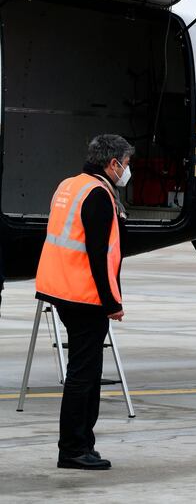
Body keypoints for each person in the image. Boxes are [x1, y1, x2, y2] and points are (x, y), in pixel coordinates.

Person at [36, 134, 134, 470]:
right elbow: (98, 255)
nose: (127, 169)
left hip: (61, 288)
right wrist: (112, 302)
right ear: (113, 164)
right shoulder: (98, 194)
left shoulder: (70, 185)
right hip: (84, 296)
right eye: (126, 163)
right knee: (84, 375)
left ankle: (82, 444)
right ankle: (73, 448)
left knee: (86, 373)